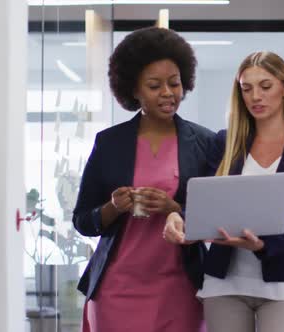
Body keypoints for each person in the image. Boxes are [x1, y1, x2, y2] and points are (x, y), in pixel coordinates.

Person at [163, 51, 284, 332]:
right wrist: (181, 220)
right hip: (224, 282)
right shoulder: (226, 141)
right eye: (246, 89)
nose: (255, 97)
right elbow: (207, 202)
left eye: (266, 86)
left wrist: (264, 246)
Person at [72, 27, 213, 332]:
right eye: (154, 85)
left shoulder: (205, 143)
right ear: (134, 90)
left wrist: (174, 207)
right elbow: (82, 220)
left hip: (181, 288)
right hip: (115, 288)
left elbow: (218, 217)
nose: (168, 93)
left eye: (174, 84)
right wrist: (112, 208)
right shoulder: (109, 143)